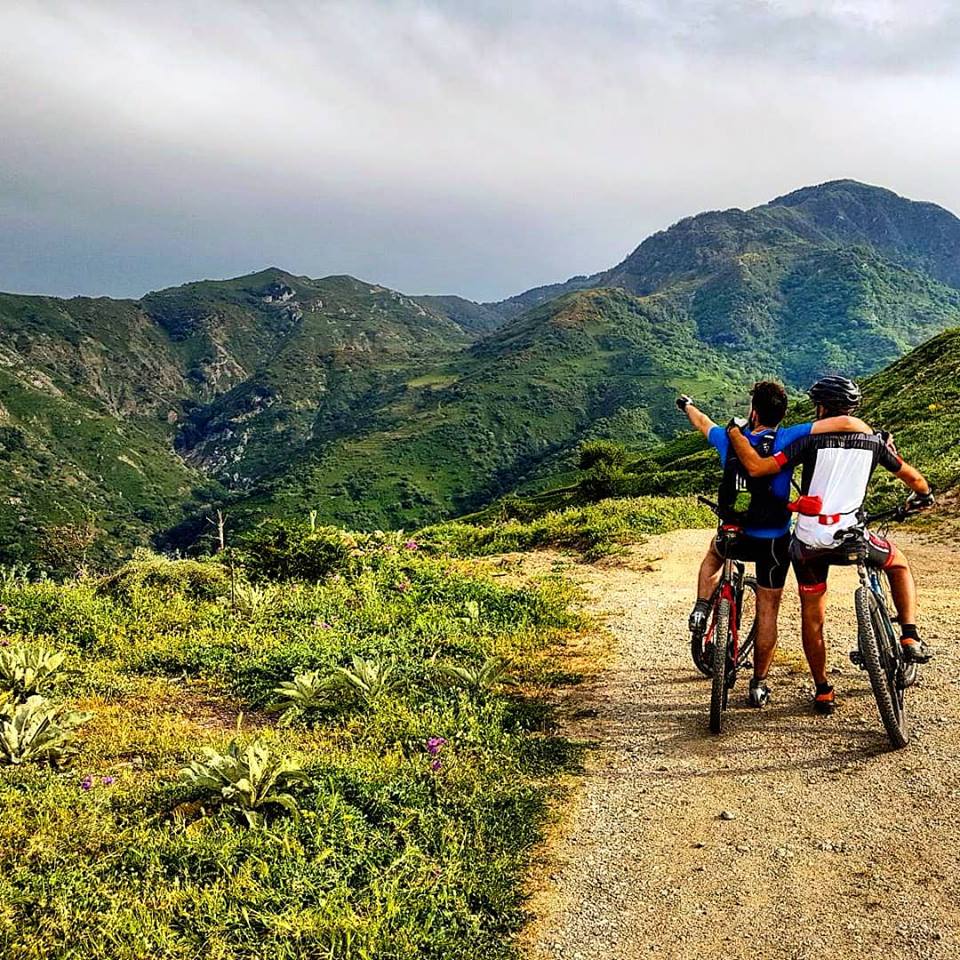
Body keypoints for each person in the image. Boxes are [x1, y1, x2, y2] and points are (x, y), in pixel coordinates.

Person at [725, 375, 935, 715]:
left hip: (809, 542)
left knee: (813, 615)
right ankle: (909, 634)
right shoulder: (874, 442)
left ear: (821, 407)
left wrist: (734, 432)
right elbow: (916, 480)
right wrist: (922, 497)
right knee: (897, 564)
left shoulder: (807, 443)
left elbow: (760, 467)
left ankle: (822, 689)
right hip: (852, 534)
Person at [678, 383, 868, 708]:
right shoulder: (789, 436)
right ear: (782, 413)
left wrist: (687, 405)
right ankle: (758, 685)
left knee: (713, 554)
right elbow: (840, 423)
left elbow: (702, 422)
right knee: (769, 613)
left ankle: (700, 606)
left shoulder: (729, 438)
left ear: (753, 411)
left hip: (736, 535)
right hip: (773, 541)